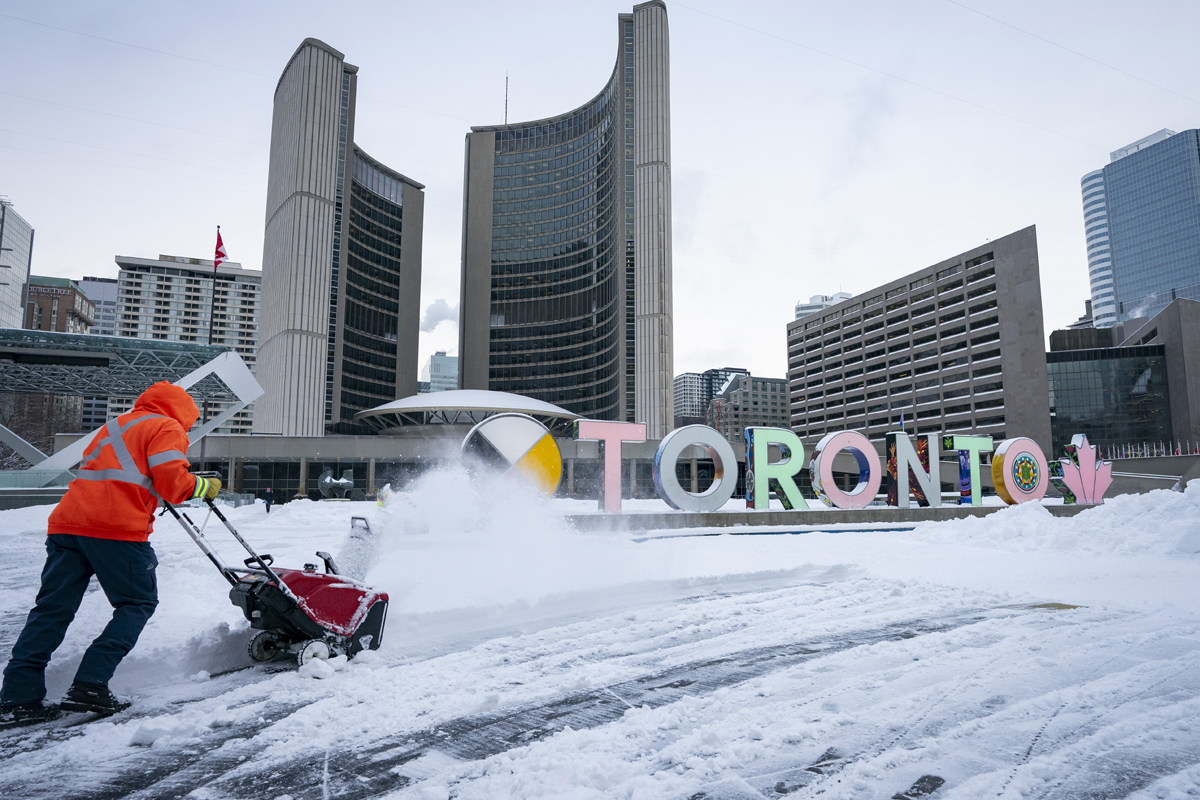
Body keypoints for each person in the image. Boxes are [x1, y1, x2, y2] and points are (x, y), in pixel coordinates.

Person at [0, 382, 220, 725]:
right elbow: (174, 486)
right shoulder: (166, 426)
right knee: (137, 603)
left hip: (67, 525)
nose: (187, 428)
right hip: (116, 529)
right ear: (183, 412)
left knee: (51, 610)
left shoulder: (116, 426)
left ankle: (18, 696)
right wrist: (206, 485)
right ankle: (90, 683)